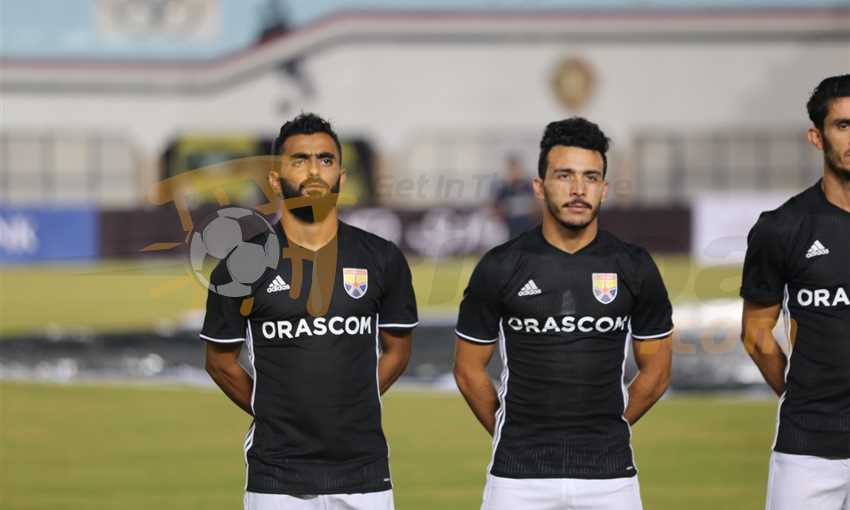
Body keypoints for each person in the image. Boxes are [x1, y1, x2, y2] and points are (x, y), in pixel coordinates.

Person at [453, 117, 673, 510]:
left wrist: (611, 428)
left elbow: (657, 371)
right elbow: (468, 370)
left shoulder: (634, 265)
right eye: (564, 176)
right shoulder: (500, 266)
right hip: (516, 479)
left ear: (604, 189)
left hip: (611, 479)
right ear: (539, 187)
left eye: (591, 177)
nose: (578, 189)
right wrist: (510, 433)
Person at [201, 113, 418, 510]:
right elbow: (220, 362)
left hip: (365, 471)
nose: (314, 171)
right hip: (276, 473)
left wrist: (352, 403)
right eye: (299, 160)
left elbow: (398, 351)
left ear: (341, 177)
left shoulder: (383, 258)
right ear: (274, 179)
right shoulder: (240, 264)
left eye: (325, 160)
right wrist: (272, 410)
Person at [741, 74, 850, 510]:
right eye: (843, 125)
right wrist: (799, 393)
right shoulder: (781, 228)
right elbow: (756, 334)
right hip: (807, 446)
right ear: (816, 136)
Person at [491, 155, 538, 238]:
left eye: (515, 169)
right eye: (511, 170)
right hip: (510, 229)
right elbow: (496, 208)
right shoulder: (504, 189)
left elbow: (537, 205)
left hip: (528, 228)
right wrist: (503, 210)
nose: (513, 173)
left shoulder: (529, 187)